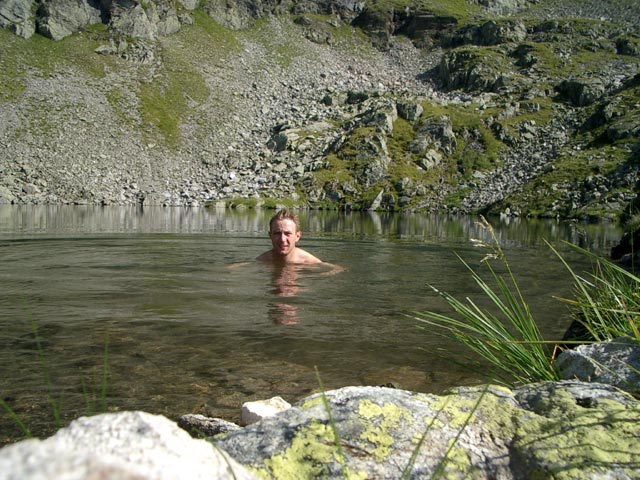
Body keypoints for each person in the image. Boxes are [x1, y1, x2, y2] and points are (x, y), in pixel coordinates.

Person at [256, 209, 323, 264]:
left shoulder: (312, 263)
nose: (282, 239)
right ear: (270, 235)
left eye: (287, 233)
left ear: (297, 236)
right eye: (277, 233)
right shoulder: (261, 261)